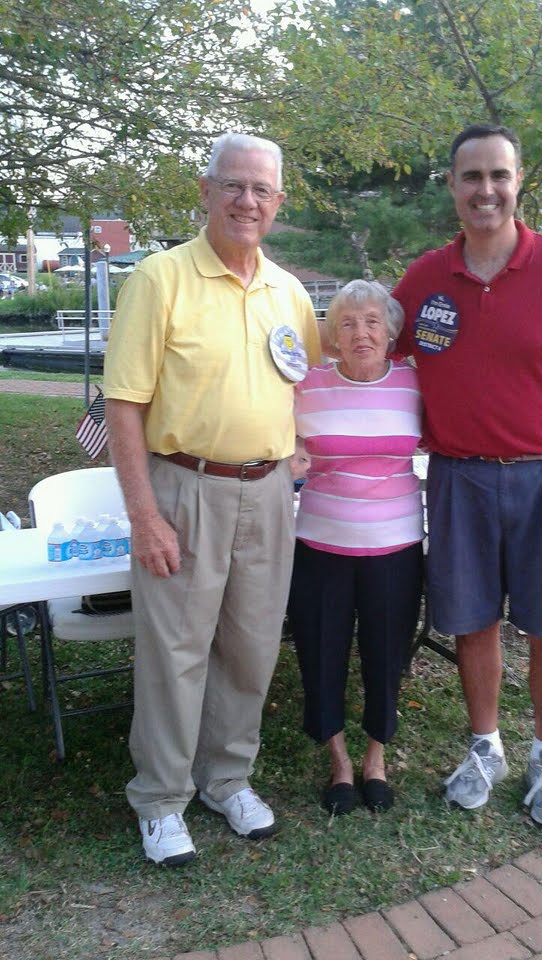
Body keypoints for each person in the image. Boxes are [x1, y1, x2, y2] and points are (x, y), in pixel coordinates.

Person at [392, 124, 542, 828]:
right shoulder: (428, 279)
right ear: (452, 186)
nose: (486, 190)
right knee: (471, 625)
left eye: (498, 175)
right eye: (471, 177)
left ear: (518, 181)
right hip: (458, 479)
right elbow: (369, 345)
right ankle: (485, 747)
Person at [104, 132, 322, 865]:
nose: (246, 201)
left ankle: (226, 779)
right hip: (183, 488)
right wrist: (144, 514)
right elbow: (124, 405)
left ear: (279, 203)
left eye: (261, 190)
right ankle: (162, 798)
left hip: (267, 497)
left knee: (251, 647)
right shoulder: (160, 279)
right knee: (175, 650)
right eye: (233, 185)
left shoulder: (289, 292)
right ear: (205, 191)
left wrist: (297, 448)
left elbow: (307, 383)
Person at [288, 280, 424, 815]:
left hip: (396, 543)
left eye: (372, 322)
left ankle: (375, 758)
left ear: (390, 333)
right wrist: (294, 453)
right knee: (321, 651)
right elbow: (281, 437)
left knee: (386, 654)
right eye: (347, 323)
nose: (360, 332)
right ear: (333, 336)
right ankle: (339, 762)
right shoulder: (306, 383)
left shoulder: (415, 383)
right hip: (321, 542)